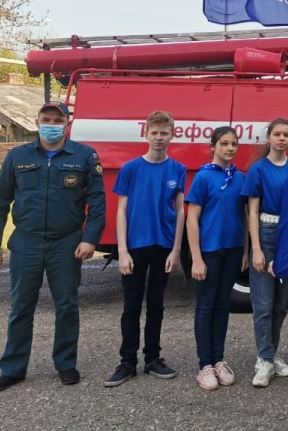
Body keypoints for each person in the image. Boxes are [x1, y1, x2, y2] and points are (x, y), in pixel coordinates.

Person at [0, 101, 106, 393]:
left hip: (66, 242)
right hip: (26, 241)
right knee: (21, 307)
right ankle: (13, 368)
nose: (52, 124)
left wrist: (90, 238)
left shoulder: (85, 155)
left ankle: (65, 364)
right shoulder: (18, 156)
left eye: (58, 120)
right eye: (46, 119)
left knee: (67, 305)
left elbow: (97, 201)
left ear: (67, 123)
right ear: (37, 122)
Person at [105, 110, 186, 387]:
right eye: (154, 132)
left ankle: (153, 358)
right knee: (131, 306)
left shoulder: (177, 169)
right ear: (146, 134)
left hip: (163, 246)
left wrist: (176, 249)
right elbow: (121, 210)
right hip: (135, 246)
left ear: (172, 135)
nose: (159, 137)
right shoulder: (131, 169)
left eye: (164, 133)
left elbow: (180, 211)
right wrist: (122, 251)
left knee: (156, 305)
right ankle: (127, 362)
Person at [241, 118, 288, 388]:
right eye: (277, 134)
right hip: (266, 236)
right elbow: (252, 211)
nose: (281, 138)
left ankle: (271, 354)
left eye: (286, 134)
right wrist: (256, 249)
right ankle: (264, 359)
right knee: (263, 304)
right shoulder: (258, 169)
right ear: (268, 137)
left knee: (280, 305)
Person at [185, 126, 247, 391]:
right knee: (206, 306)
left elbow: (245, 216)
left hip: (233, 250)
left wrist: (245, 250)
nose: (230, 148)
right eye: (224, 143)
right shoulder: (203, 177)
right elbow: (192, 218)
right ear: (213, 146)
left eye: (234, 143)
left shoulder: (240, 178)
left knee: (223, 305)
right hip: (209, 251)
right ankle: (205, 365)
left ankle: (219, 360)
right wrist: (196, 258)